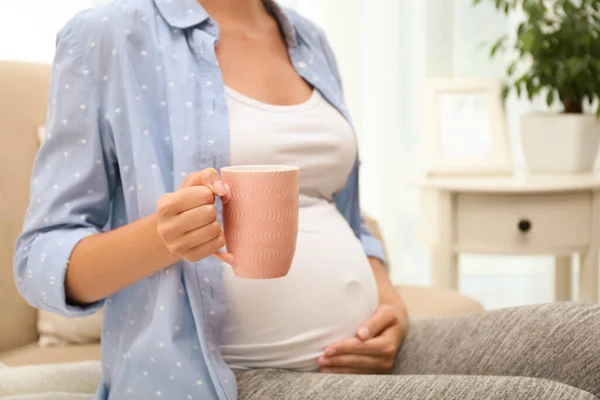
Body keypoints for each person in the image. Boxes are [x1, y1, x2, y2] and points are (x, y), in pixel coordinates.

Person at [13, 0, 600, 399]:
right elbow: (39, 259)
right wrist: (161, 238)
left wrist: (389, 304)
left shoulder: (307, 38)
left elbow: (349, 221)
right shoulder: (109, 36)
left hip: (359, 350)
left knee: (589, 337)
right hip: (228, 377)